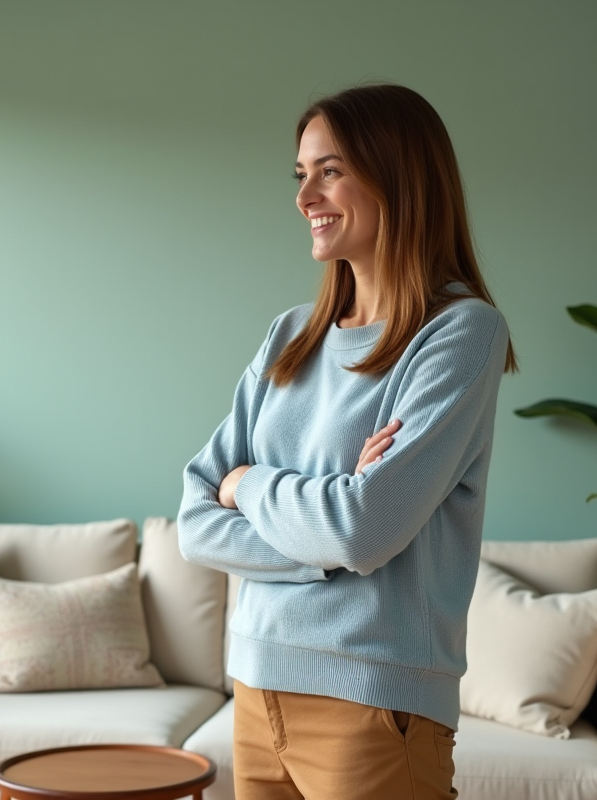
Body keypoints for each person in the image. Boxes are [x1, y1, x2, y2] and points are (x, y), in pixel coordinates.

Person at [177, 84, 517, 800]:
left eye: (329, 170)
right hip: (256, 687)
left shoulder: (460, 333)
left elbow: (363, 531)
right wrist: (325, 530)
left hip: (372, 704)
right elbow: (195, 526)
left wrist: (248, 485)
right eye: (301, 175)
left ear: (399, 174)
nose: (305, 197)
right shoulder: (290, 335)